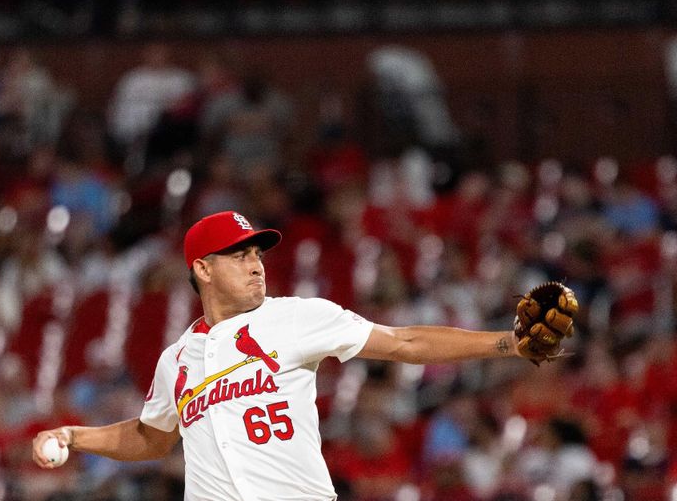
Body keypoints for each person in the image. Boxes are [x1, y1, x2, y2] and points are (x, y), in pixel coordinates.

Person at [32, 210, 530, 500]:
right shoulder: (175, 359)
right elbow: (150, 437)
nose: (256, 266)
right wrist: (75, 436)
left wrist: (507, 343)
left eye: (257, 254)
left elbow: (403, 342)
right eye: (240, 255)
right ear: (203, 270)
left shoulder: (296, 317)